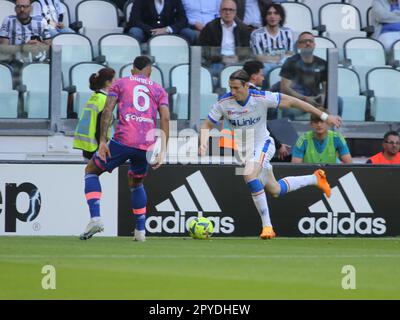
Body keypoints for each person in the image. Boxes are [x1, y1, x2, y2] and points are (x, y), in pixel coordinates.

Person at [199, 69, 342, 239]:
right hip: (245, 152)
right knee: (275, 190)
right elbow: (206, 124)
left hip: (263, 144)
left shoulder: (261, 98)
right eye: (230, 87)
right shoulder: (224, 103)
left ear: (246, 86)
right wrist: (202, 142)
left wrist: (325, 116)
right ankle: (315, 178)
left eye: (237, 88)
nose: (233, 91)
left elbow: (293, 102)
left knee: (250, 175)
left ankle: (267, 227)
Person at [79, 56, 170, 241]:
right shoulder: (159, 89)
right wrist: (163, 150)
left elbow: (107, 110)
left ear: (132, 70)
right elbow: (166, 118)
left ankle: (95, 218)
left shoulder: (121, 83)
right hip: (146, 144)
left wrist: (103, 141)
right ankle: (140, 231)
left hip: (123, 140)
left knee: (91, 170)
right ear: (150, 71)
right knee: (136, 183)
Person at [279, 32, 343, 120]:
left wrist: (323, 95)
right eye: (304, 41)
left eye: (310, 41)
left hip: (316, 99)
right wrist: (305, 98)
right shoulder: (290, 62)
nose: (308, 43)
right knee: (288, 111)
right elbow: (285, 88)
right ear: (298, 45)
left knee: (338, 101)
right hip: (298, 100)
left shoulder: (322, 63)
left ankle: (334, 129)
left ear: (314, 44)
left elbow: (326, 86)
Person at [243, 60, 290, 160]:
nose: (263, 78)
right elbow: (261, 124)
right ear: (254, 76)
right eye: (261, 75)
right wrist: (279, 145)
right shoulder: (255, 95)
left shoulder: (240, 92)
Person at [198, 0, 252, 76]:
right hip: (217, 62)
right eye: (225, 9)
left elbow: (246, 50)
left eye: (231, 10)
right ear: (219, 11)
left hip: (237, 61)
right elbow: (204, 50)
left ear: (235, 12)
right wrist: (222, 58)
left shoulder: (242, 28)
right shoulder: (210, 27)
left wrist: (237, 57)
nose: (228, 12)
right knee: (216, 73)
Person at [73, 67, 116, 160]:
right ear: (108, 83)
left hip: (88, 147)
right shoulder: (105, 100)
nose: (116, 82)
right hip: (97, 148)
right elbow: (100, 126)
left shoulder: (94, 96)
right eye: (114, 80)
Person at [250, 3, 294, 74]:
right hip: (265, 67)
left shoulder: (288, 32)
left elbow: (290, 53)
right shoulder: (257, 34)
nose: (272, 16)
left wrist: (278, 61)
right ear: (265, 17)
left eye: (276, 13)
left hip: (284, 65)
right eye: (269, 14)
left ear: (281, 17)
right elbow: (259, 57)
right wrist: (278, 59)